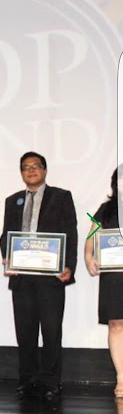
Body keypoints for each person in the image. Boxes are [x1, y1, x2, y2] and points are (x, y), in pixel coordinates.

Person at [0, 151, 77, 400]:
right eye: (26, 167)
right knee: (25, 333)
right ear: (21, 172)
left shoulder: (61, 197)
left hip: (51, 277)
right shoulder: (13, 200)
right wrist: (8, 257)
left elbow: (71, 233)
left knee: (52, 332)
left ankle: (51, 381)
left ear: (44, 170)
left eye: (36, 166)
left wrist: (69, 266)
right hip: (22, 277)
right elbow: (5, 236)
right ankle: (28, 380)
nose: (31, 170)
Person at [84, 169, 123, 396]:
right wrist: (89, 256)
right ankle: (121, 378)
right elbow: (92, 236)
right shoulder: (105, 209)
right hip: (114, 276)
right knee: (116, 325)